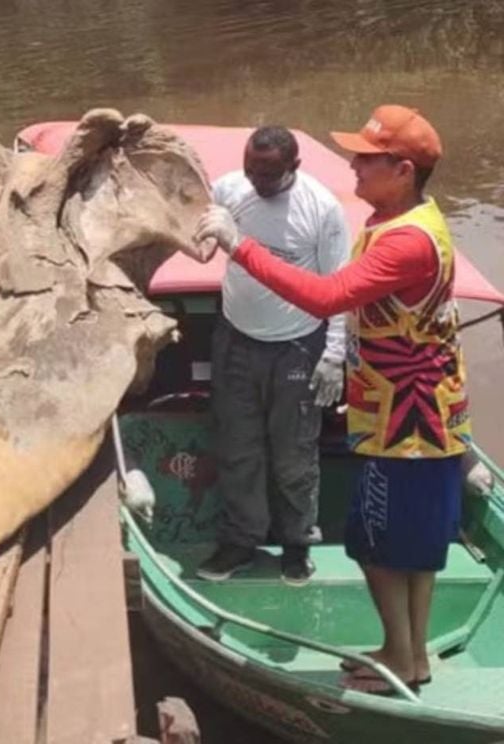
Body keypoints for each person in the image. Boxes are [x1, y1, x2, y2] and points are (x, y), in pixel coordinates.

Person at [194, 105, 469, 694]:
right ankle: (409, 654)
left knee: (375, 546)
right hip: (419, 414)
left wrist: (240, 247)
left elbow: (326, 297)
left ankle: (401, 659)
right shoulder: (401, 218)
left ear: (402, 169)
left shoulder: (405, 243)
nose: (353, 166)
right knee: (415, 550)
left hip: (406, 422)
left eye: (366, 159)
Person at [196, 127, 350, 586]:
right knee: (238, 448)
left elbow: (340, 288)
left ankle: (297, 543)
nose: (257, 181)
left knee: (293, 456)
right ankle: (241, 541)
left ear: (294, 168)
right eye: (251, 169)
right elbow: (199, 242)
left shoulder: (321, 209)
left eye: (268, 173)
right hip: (236, 339)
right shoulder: (229, 189)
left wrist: (335, 354)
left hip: (298, 346)